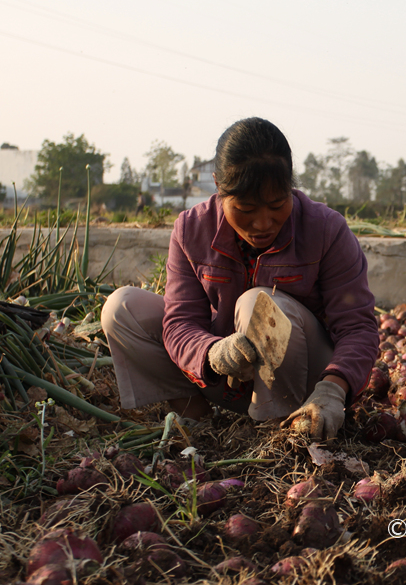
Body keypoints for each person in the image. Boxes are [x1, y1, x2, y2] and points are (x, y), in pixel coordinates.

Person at [101, 117, 378, 439]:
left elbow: (358, 326)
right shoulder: (192, 229)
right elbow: (180, 322)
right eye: (245, 208)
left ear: (291, 187)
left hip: (308, 387)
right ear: (218, 187)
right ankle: (194, 415)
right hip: (227, 380)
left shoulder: (326, 229)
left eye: (277, 205)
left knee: (256, 303)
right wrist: (212, 353)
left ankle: (280, 427)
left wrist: (333, 388)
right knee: (122, 308)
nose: (263, 223)